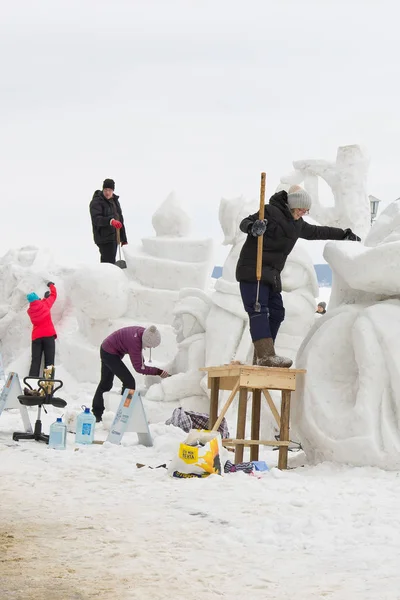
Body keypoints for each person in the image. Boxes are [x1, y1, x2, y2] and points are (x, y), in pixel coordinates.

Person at [236, 185, 361, 368]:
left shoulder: (297, 225)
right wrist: (253, 227)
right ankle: (266, 355)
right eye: (302, 208)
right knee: (258, 310)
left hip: (271, 276)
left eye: (306, 210)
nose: (304, 212)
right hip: (252, 271)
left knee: (277, 313)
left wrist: (344, 235)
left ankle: (261, 357)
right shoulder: (269, 212)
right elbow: (244, 223)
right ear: (293, 205)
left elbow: (319, 232)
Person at [92, 325, 169, 422]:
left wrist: (142, 361)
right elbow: (139, 368)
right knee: (129, 383)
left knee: (106, 383)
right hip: (109, 353)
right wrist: (158, 372)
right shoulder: (135, 342)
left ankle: (97, 413)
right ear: (146, 341)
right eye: (150, 346)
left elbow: (138, 355)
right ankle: (123, 413)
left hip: (108, 348)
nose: (150, 347)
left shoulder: (144, 333)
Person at [89, 178, 128, 264]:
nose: (107, 192)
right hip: (104, 238)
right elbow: (96, 219)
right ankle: (105, 277)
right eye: (105, 190)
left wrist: (123, 238)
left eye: (110, 190)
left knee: (111, 263)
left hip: (114, 237)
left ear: (113, 190)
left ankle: (109, 276)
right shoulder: (97, 202)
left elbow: (120, 219)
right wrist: (110, 221)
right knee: (108, 263)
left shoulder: (115, 201)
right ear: (103, 189)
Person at [26, 282, 57, 377]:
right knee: (49, 362)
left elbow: (37, 306)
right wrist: (51, 286)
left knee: (35, 361)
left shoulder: (30, 311)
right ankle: (47, 386)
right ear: (37, 299)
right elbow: (54, 295)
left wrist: (43, 299)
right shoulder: (45, 305)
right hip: (48, 336)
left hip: (36, 337)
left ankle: (32, 384)